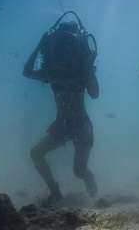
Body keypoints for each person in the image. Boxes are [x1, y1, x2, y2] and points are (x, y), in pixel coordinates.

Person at [23, 12, 99, 205]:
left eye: (69, 45)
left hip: (80, 126)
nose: (65, 49)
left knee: (79, 171)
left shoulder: (70, 72)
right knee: (36, 153)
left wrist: (89, 66)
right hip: (64, 125)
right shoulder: (54, 72)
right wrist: (41, 45)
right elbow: (26, 72)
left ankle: (96, 200)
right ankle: (56, 192)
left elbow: (95, 93)